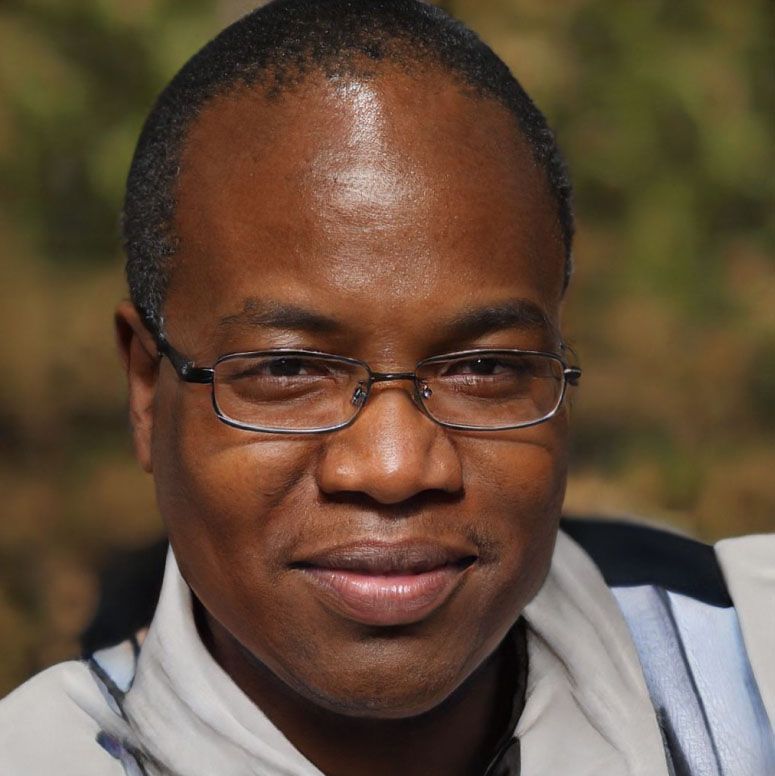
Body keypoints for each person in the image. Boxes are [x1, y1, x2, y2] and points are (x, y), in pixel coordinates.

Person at [0, 1, 772, 774]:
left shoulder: (749, 676)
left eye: (482, 368)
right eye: (288, 369)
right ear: (146, 388)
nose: (395, 467)